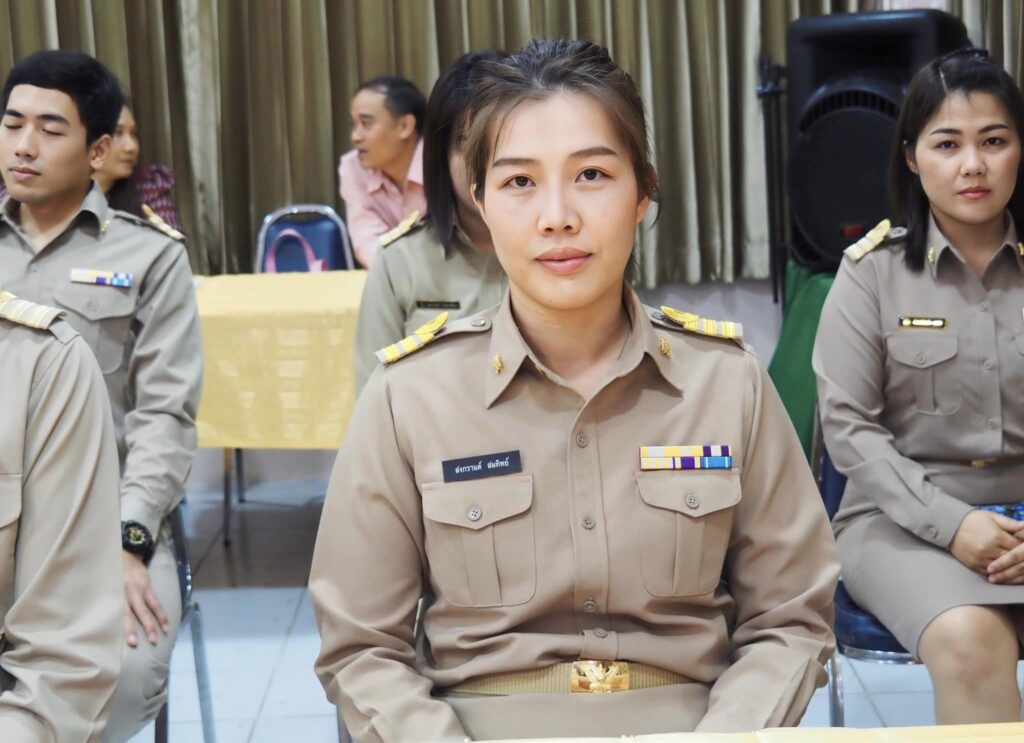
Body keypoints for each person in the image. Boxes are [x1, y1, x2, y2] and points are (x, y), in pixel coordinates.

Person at [311, 38, 838, 741]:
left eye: (591, 174)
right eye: (519, 182)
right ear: (479, 200)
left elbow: (791, 618)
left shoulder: (727, 382)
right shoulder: (409, 395)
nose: (557, 215)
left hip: (695, 723)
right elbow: (360, 647)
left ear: (643, 192)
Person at [814, 49, 1024, 724]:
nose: (973, 165)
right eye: (947, 144)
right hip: (902, 520)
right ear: (911, 156)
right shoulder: (870, 274)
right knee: (970, 643)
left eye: (994, 141)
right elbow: (849, 428)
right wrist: (952, 524)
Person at [0, 50, 203, 742]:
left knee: (117, 681)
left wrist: (129, 539)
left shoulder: (149, 257)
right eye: (13, 124)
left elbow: (165, 415)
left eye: (50, 129)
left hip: (100, 521)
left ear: (97, 150)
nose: (24, 146)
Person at [0, 293, 123, 742]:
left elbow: (61, 665)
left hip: (106, 508)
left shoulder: (38, 358)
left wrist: (136, 535)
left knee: (136, 672)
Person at [353, 51, 508, 393]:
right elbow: (373, 397)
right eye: (466, 143)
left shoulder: (564, 251)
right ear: (441, 155)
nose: (487, 161)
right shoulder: (400, 262)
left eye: (500, 141)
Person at [0, 100, 183, 232]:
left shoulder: (148, 189)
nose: (131, 147)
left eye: (133, 134)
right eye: (118, 133)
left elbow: (171, 257)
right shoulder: (14, 194)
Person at [338, 75, 426, 267]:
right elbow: (366, 241)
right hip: (394, 275)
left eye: (366, 123)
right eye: (354, 124)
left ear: (405, 126)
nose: (355, 137)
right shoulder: (353, 167)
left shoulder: (445, 162)